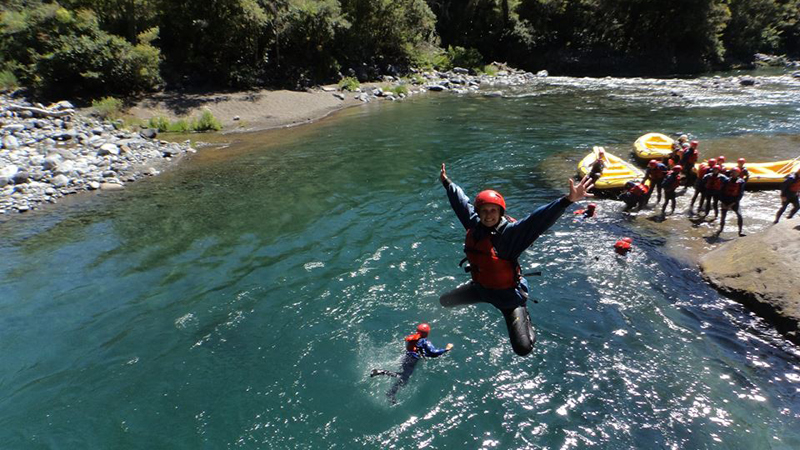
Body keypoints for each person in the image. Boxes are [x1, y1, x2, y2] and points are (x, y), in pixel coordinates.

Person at [438, 163, 593, 357]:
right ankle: (482, 295)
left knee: (523, 348)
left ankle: (524, 314)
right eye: (484, 211)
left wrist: (567, 200)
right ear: (479, 212)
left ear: (500, 212)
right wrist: (447, 182)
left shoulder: (510, 235)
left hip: (508, 298)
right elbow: (460, 203)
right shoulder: (474, 225)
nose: (488, 215)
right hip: (481, 288)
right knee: (445, 301)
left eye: (493, 211)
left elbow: (538, 220)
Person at [370, 323, 453, 404]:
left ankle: (391, 392)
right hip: (411, 360)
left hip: (406, 357)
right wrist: (446, 349)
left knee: (403, 378)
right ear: (427, 333)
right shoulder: (424, 341)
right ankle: (381, 373)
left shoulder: (415, 337)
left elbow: (418, 350)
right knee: (403, 378)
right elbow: (433, 352)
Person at [717, 168, 746, 236]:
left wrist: (733, 203)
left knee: (739, 215)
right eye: (732, 172)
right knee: (723, 216)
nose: (733, 174)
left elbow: (740, 194)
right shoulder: (726, 181)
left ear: (738, 173)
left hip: (734, 201)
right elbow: (721, 192)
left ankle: (740, 231)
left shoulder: (741, 182)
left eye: (735, 172)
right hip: (725, 200)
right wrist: (722, 202)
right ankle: (721, 229)